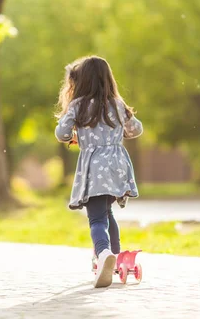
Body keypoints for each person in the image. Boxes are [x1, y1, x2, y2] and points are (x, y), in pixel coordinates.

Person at [54, 56, 143, 288]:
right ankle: (114, 255)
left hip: (95, 167)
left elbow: (61, 133)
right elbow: (136, 129)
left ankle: (103, 254)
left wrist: (76, 134)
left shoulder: (79, 105)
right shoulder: (117, 104)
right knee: (107, 213)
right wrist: (116, 132)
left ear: (82, 81)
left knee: (95, 218)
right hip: (117, 165)